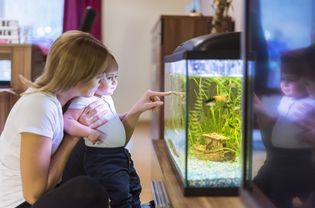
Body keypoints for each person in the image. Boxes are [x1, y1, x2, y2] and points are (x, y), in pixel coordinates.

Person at [0, 30, 111, 208]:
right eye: (99, 75)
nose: (102, 82)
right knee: (88, 190)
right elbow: (34, 195)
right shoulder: (39, 106)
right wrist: (72, 137)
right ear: (80, 75)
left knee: (91, 151)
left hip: (36, 195)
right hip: (19, 203)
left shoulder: (59, 101)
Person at [63, 52, 171, 208]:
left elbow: (111, 119)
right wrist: (88, 132)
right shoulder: (84, 99)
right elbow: (67, 120)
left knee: (133, 185)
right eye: (109, 77)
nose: (114, 82)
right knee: (118, 192)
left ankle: (137, 206)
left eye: (116, 77)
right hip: (102, 157)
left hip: (120, 153)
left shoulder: (106, 97)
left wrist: (127, 115)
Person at [253, 48, 315, 208]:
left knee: (287, 189)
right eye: (283, 79)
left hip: (300, 156)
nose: (285, 84)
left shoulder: (310, 104)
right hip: (277, 154)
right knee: (269, 185)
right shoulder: (285, 100)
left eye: (292, 80)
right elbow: (279, 120)